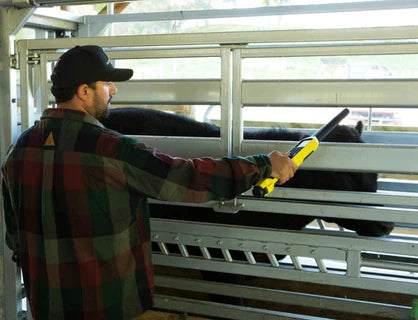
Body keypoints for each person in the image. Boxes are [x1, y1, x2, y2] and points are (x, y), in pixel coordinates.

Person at [1, 45, 297, 320]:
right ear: (83, 91)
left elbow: (15, 237)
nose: (113, 90)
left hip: (46, 305)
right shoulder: (111, 150)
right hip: (105, 305)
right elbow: (186, 178)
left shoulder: (19, 150)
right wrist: (262, 166)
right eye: (106, 84)